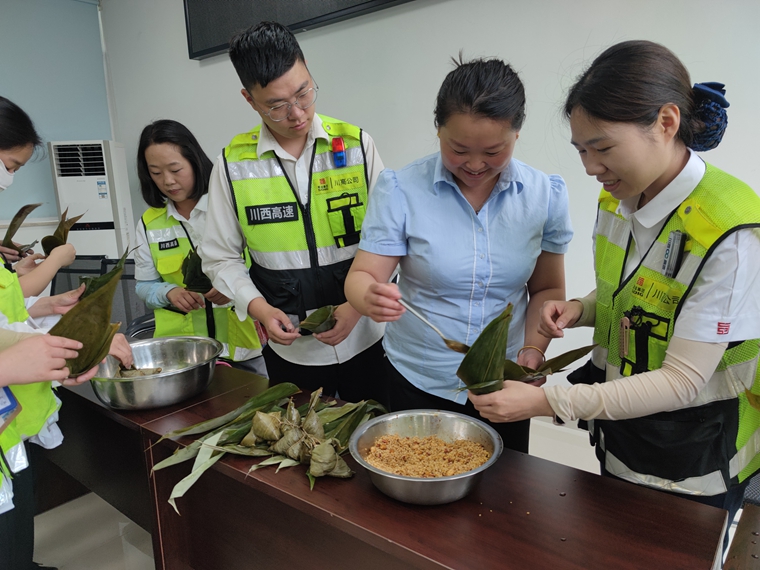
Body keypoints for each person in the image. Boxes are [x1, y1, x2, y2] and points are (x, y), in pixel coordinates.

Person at [468, 39, 760, 542]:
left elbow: (682, 381)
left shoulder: (730, 234)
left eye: (602, 148)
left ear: (667, 123)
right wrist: (580, 309)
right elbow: (637, 291)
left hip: (697, 454)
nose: (590, 167)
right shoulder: (620, 197)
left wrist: (547, 403)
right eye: (582, 150)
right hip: (625, 434)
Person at [344, 57, 573, 452]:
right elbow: (361, 277)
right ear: (438, 130)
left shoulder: (544, 195)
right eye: (458, 148)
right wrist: (368, 296)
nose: (474, 164)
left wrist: (534, 352)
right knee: (415, 488)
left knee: (502, 498)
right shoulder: (401, 189)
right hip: (419, 375)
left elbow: (546, 289)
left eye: (493, 151)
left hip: (501, 380)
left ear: (517, 134)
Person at [200, 21, 387, 404]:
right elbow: (219, 257)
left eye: (304, 93)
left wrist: (356, 307)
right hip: (289, 347)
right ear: (249, 100)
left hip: (367, 337)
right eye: (277, 106)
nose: (297, 113)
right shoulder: (233, 165)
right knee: (302, 448)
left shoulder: (356, 145)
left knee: (373, 444)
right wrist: (258, 308)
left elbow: (391, 238)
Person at [0, 95, 132, 570]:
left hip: (8, 429)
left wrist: (53, 320)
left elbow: (4, 319)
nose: (8, 180)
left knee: (15, 542)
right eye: (8, 165)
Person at [134, 119, 266, 376]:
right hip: (181, 354)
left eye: (175, 169)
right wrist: (168, 292)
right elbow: (143, 285)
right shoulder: (149, 223)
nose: (168, 181)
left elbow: (264, 268)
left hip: (242, 350)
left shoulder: (229, 207)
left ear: (194, 161)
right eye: (156, 172)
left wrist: (234, 286)